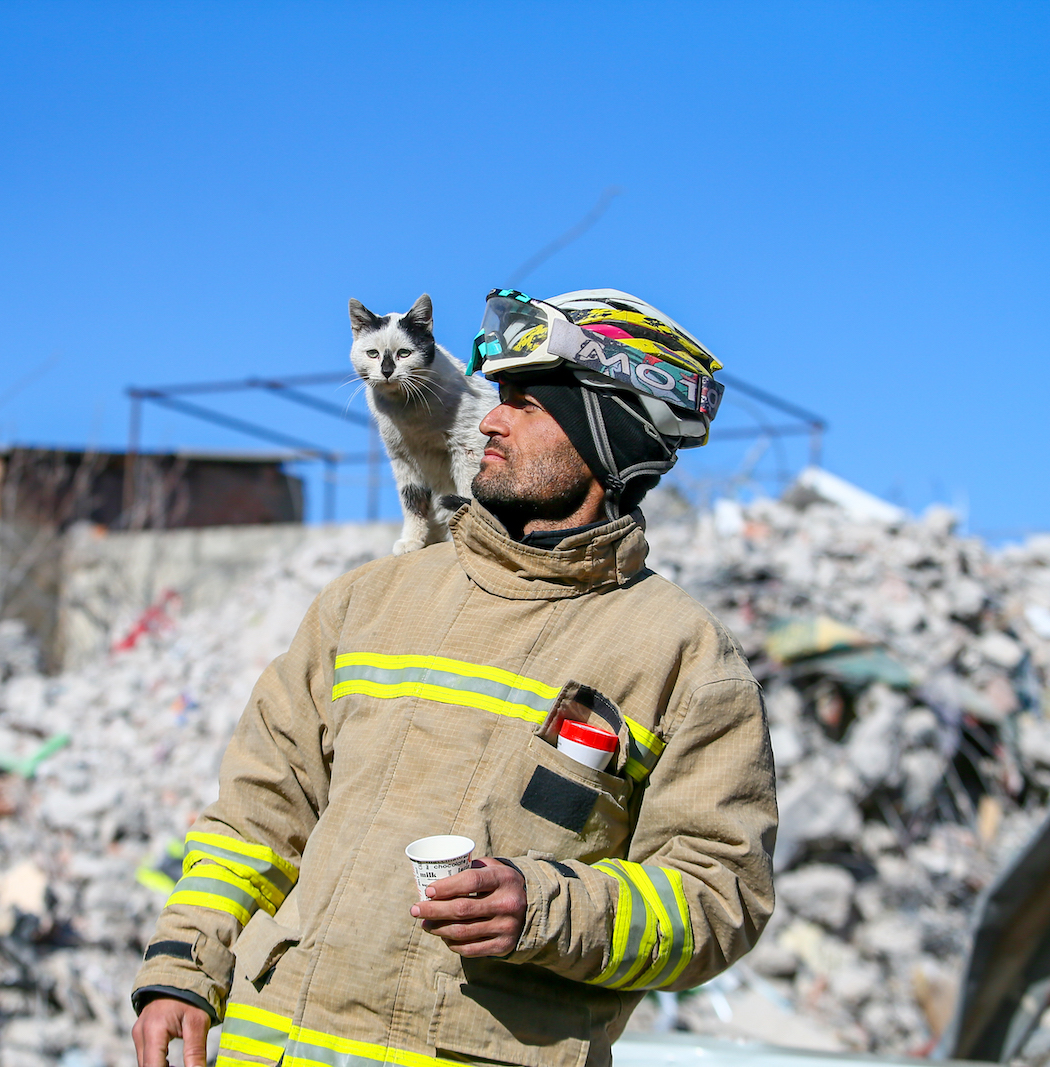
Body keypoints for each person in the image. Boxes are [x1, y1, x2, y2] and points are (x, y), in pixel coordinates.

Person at [130, 288, 776, 1067]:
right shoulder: (367, 602)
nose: (490, 419)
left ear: (608, 435)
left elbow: (719, 898)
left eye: (528, 405)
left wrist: (547, 909)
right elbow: (258, 814)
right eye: (498, 396)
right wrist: (182, 968)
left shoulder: (683, 658)